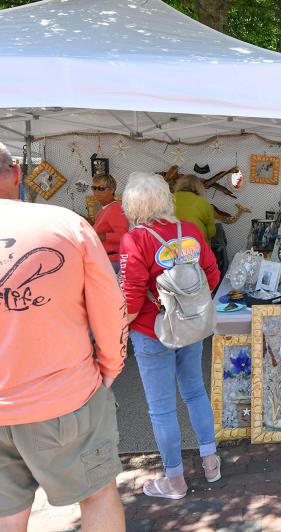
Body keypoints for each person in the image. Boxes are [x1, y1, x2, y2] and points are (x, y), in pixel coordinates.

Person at [0, 142, 127, 531]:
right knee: (97, 493)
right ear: (18, 173)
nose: (96, 193)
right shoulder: (64, 224)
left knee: (6, 511)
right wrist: (110, 366)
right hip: (63, 396)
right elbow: (109, 307)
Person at [119, 172, 222, 499]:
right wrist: (191, 307)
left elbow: (132, 297)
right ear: (165, 198)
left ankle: (174, 480)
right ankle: (210, 462)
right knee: (195, 392)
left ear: (132, 205)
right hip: (191, 328)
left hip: (153, 331)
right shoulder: (189, 231)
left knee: (161, 408)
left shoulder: (134, 239)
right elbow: (213, 274)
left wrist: (118, 327)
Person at [91, 174, 128, 272]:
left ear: (112, 190)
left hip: (113, 261)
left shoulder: (115, 208)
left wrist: (101, 236)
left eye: (101, 188)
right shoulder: (104, 209)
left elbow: (124, 236)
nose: (96, 192)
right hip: (106, 259)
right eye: (94, 188)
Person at [173, 174, 217, 243]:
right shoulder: (204, 204)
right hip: (196, 245)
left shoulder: (167, 200)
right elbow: (211, 233)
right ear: (199, 187)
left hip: (170, 245)